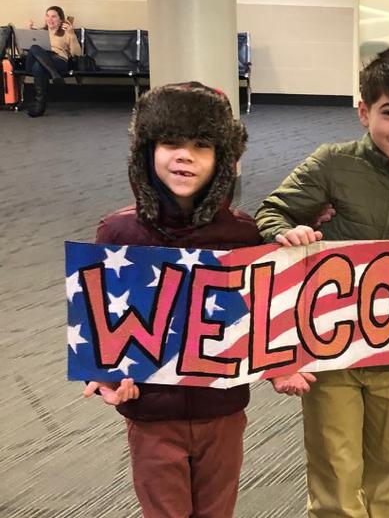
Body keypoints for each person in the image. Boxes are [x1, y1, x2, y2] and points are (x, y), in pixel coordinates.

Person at [255, 48, 389, 518]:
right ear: (363, 111)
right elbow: (270, 212)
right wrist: (285, 230)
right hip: (330, 345)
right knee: (336, 470)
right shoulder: (333, 163)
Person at [82, 82, 264, 517]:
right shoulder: (118, 233)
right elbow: (105, 320)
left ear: (223, 160)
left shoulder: (242, 234)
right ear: (147, 150)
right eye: (170, 143)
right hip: (152, 413)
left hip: (221, 408)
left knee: (217, 509)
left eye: (202, 145)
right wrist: (106, 376)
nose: (185, 156)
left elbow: (261, 316)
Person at [24, 6, 81, 117]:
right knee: (35, 48)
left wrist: (72, 34)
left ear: (61, 20)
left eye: (54, 16)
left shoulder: (66, 33)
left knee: (38, 67)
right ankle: (54, 74)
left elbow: (77, 53)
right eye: (47, 16)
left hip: (58, 60)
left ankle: (40, 105)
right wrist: (28, 33)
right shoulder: (39, 32)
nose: (50, 19)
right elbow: (24, 51)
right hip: (36, 61)